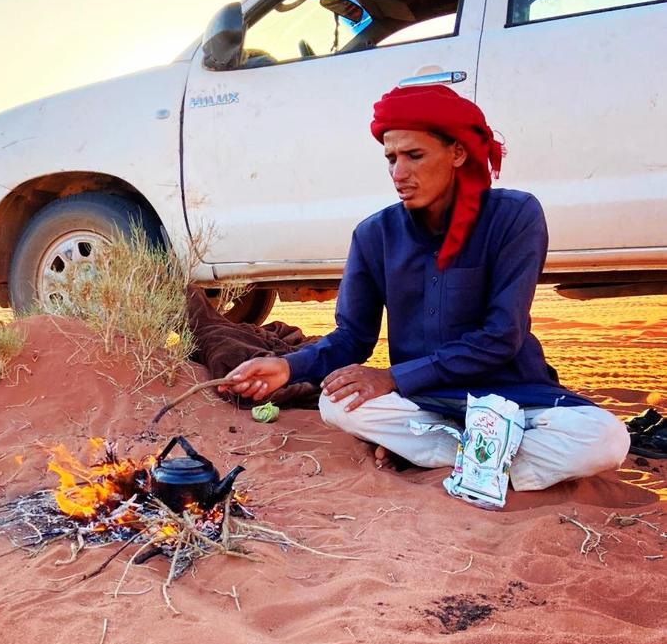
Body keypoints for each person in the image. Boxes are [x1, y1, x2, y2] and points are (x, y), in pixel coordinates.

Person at [221, 85, 630, 491]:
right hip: (429, 401)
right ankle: (484, 462)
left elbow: (502, 336)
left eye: (414, 156)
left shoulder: (515, 215)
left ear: (457, 152)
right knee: (336, 403)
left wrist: (393, 378)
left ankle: (444, 458)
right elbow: (352, 338)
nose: (399, 174)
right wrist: (289, 367)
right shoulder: (372, 234)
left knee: (606, 439)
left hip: (515, 394)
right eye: (391, 158)